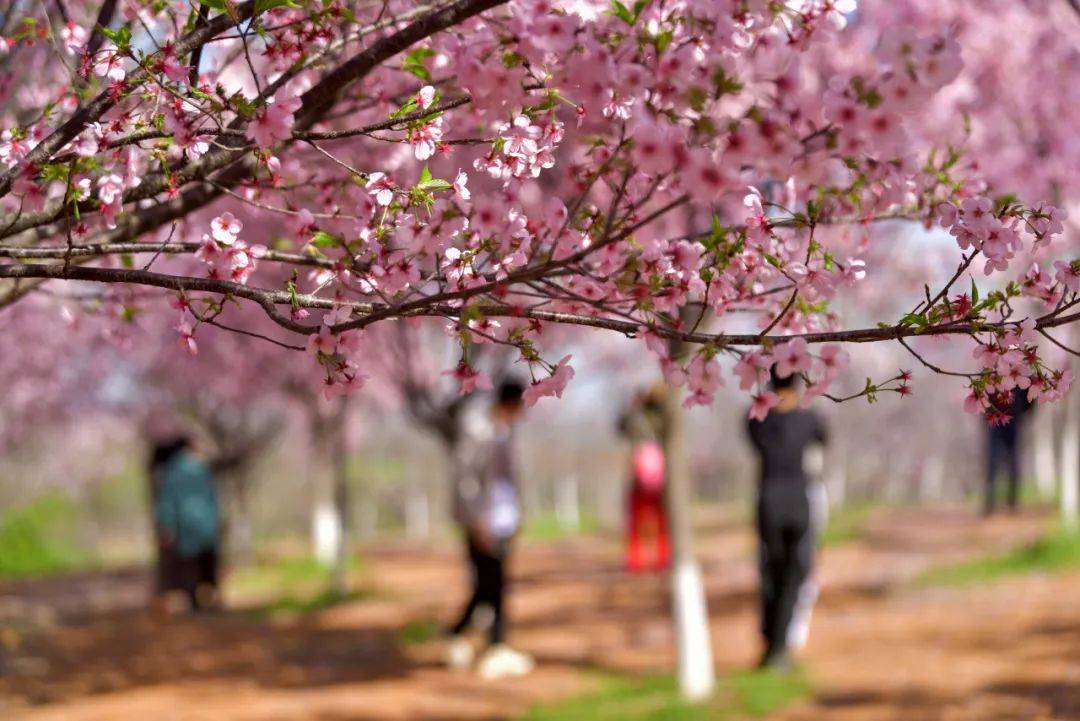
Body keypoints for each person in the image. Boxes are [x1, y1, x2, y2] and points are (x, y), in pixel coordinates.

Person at [445, 379, 534, 679]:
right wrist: (474, 520)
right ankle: (490, 645)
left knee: (492, 583)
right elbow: (465, 476)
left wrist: (517, 515)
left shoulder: (507, 432)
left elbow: (511, 479)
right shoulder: (478, 429)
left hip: (504, 518)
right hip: (482, 519)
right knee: (490, 583)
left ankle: (470, 638)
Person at [746, 369, 828, 669]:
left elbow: (752, 439)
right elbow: (823, 440)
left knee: (772, 571)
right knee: (793, 571)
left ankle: (772, 642)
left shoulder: (757, 416)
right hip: (797, 500)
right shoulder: (809, 418)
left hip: (768, 499)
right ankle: (778, 646)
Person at [151, 435, 222, 613]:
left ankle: (195, 601)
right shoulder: (201, 468)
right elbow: (212, 496)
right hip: (207, 522)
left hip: (185, 525)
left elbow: (167, 503)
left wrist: (166, 526)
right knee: (207, 563)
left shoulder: (172, 472)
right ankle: (211, 598)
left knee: (190, 566)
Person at [617, 385, 670, 573]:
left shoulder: (639, 420)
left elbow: (621, 427)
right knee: (661, 522)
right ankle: (657, 559)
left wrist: (633, 408)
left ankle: (638, 561)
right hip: (656, 477)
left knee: (638, 521)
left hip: (642, 476)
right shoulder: (661, 420)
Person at [984, 387, 1033, 515]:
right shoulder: (991, 369)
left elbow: (1030, 397)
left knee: (1012, 462)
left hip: (1013, 420)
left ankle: (1012, 503)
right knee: (992, 462)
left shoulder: (1022, 371)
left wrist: (1020, 412)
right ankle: (989, 503)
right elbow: (982, 392)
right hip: (995, 421)